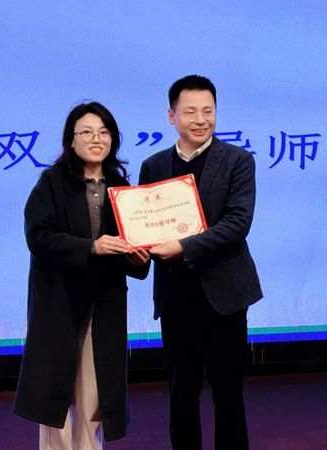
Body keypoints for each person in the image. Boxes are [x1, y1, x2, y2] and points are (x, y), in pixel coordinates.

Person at [14, 101, 150, 450]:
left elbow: (131, 245)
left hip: (103, 303)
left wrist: (137, 258)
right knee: (54, 395)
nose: (96, 139)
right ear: (71, 140)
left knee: (94, 395)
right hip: (58, 300)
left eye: (104, 132)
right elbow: (39, 237)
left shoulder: (121, 187)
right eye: (86, 132)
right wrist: (91, 248)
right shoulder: (52, 182)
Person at [138, 75, 263, 450]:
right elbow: (142, 224)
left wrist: (183, 246)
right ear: (171, 115)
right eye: (190, 111)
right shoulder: (153, 165)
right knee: (181, 394)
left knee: (228, 395)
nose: (200, 119)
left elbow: (237, 223)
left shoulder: (238, 161)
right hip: (176, 296)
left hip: (225, 295)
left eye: (208, 111)